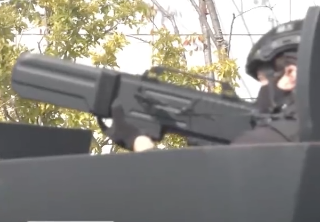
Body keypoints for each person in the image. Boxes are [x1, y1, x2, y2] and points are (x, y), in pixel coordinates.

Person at [106, 19, 303, 151]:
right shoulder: (313, 132)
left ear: (291, 74)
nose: (262, 90)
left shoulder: (265, 144)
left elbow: (187, 195)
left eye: (263, 80)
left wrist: (138, 140)